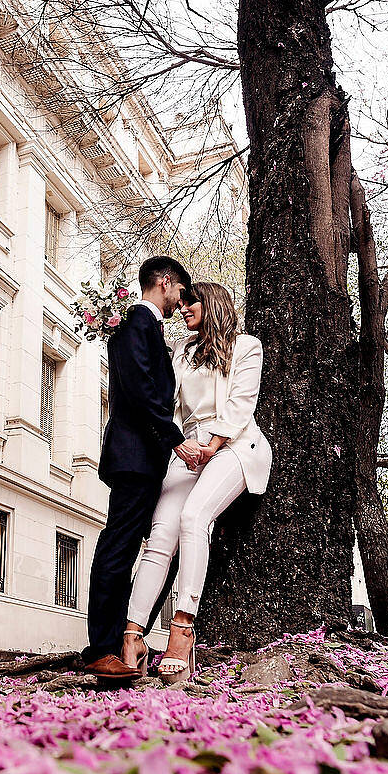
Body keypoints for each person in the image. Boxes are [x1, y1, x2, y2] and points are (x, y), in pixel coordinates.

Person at [119, 282, 272, 684]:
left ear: (213, 303)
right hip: (189, 447)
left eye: (191, 302)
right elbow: (168, 406)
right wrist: (180, 445)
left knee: (193, 518)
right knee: (160, 536)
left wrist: (213, 444)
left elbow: (242, 404)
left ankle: (182, 629)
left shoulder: (246, 346)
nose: (183, 308)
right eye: (181, 302)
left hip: (235, 445)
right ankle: (132, 637)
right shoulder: (184, 353)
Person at [81, 256, 198, 681]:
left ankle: (131, 637)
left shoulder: (144, 326)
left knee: (155, 548)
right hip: (134, 455)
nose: (180, 304)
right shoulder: (135, 321)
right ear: (166, 283)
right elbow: (139, 391)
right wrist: (176, 441)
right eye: (180, 292)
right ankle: (102, 648)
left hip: (146, 460)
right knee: (119, 545)